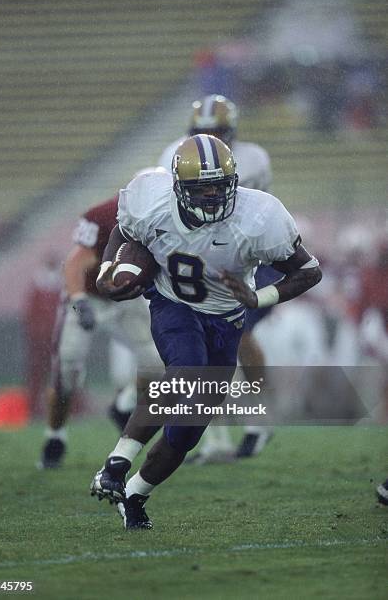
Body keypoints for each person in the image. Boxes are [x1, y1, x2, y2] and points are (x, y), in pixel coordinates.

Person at [90, 134, 322, 529]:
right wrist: (106, 273)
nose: (214, 195)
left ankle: (133, 495)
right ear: (179, 187)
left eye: (221, 184)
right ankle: (115, 465)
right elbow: (123, 233)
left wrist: (259, 297)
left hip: (227, 318)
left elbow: (308, 270)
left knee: (187, 432)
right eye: (203, 187)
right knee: (186, 371)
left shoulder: (260, 216)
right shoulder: (151, 199)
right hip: (173, 304)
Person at [158, 94, 278, 461]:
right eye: (202, 131)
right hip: (195, 256)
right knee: (202, 351)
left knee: (237, 335)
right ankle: (220, 433)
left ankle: (259, 415)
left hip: (242, 255)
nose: (211, 138)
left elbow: (252, 212)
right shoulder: (171, 157)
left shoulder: (253, 158)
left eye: (217, 131)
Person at [39, 194, 162, 469]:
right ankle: (55, 435)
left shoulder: (168, 214)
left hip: (127, 296)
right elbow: (75, 262)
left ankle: (124, 403)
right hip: (90, 294)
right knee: (67, 370)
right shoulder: (104, 215)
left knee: (157, 363)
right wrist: (79, 302)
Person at [23, 253, 62, 418]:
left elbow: (72, 307)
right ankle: (34, 407)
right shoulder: (39, 287)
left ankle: (64, 407)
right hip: (42, 337)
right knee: (39, 373)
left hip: (54, 336)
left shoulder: (61, 287)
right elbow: (30, 312)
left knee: (61, 373)